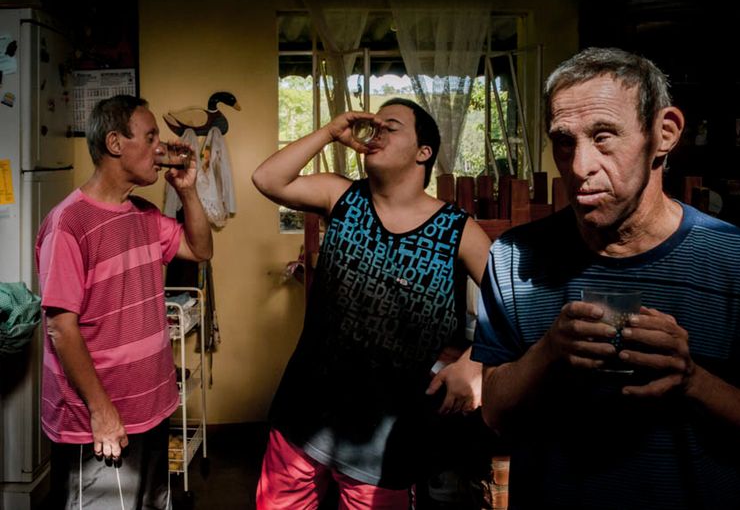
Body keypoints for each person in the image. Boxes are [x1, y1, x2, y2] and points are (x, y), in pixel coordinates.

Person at [472, 47, 740, 509]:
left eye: (604, 136)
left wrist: (692, 380)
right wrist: (549, 352)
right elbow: (496, 414)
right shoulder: (513, 257)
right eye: (564, 141)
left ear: (664, 133)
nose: (580, 165)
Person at [252, 98, 491, 508]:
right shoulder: (340, 195)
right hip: (302, 418)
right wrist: (330, 131)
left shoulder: (458, 230)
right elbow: (267, 178)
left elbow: (511, 306)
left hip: (385, 442)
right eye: (374, 127)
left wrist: (474, 362)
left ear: (423, 152)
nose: (376, 133)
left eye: (391, 126)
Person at [36, 95, 213, 509]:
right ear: (115, 143)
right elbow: (61, 328)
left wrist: (188, 191)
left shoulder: (144, 214)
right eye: (150, 137)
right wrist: (103, 413)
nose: (160, 148)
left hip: (151, 407)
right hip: (100, 419)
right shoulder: (69, 222)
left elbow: (200, 248)